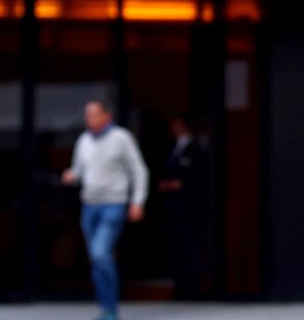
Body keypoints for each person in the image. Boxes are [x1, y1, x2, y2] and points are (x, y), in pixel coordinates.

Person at [62, 100, 149, 320]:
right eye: (87, 114)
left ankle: (110, 308)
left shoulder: (121, 138)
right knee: (97, 258)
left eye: (93, 114)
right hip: (89, 206)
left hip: (113, 204)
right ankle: (105, 307)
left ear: (106, 116)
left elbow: (138, 170)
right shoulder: (84, 140)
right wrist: (72, 175)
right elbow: (79, 171)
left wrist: (137, 201)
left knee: (100, 253)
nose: (88, 118)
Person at [157, 115, 210, 299]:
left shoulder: (196, 148)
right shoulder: (172, 147)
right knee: (176, 246)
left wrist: (180, 184)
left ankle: (193, 287)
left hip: (190, 207)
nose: (174, 128)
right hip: (174, 207)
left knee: (191, 245)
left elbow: (200, 176)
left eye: (177, 125)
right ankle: (180, 286)